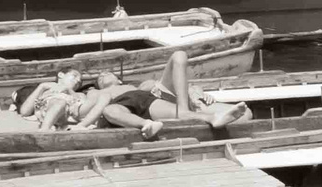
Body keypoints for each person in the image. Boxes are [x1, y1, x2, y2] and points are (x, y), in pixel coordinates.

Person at [67, 51, 252, 138]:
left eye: (108, 73)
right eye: (100, 77)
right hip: (122, 110)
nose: (103, 74)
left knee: (179, 55)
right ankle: (147, 125)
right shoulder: (98, 92)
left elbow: (182, 86)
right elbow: (81, 109)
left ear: (120, 80)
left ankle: (209, 117)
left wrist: (195, 93)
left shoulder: (141, 87)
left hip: (147, 102)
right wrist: (82, 125)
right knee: (109, 110)